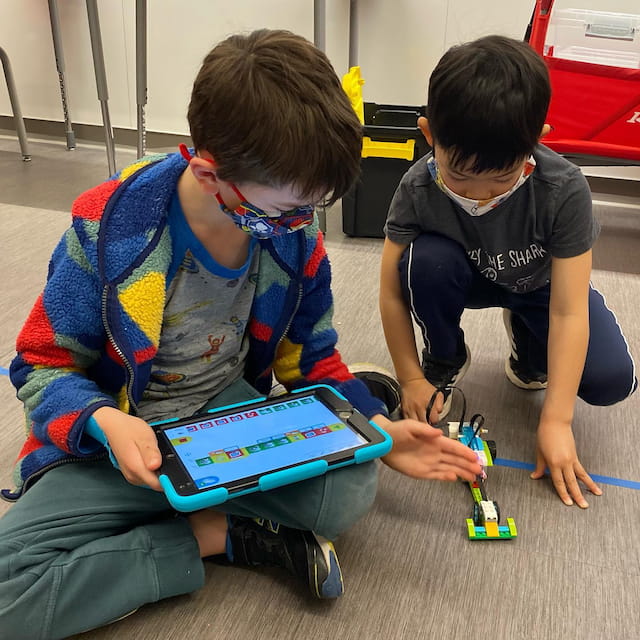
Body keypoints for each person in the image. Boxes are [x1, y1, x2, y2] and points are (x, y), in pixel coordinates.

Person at [0, 30, 481, 639]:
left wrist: (377, 431)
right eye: (280, 211)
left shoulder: (294, 237)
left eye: (313, 210)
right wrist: (105, 422)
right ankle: (214, 535)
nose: (298, 227)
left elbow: (312, 360)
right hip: (119, 439)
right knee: (7, 599)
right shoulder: (109, 225)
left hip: (222, 420)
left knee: (349, 488)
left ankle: (193, 513)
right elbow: (40, 365)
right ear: (208, 173)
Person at [380, 35, 637, 512]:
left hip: (540, 287)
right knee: (422, 263)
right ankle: (445, 356)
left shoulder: (564, 189)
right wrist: (411, 376)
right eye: (460, 177)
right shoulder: (417, 186)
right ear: (429, 134)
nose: (479, 195)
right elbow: (392, 293)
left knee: (608, 380)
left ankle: (526, 350)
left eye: (501, 179)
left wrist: (557, 420)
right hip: (460, 275)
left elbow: (568, 309)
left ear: (537, 137)